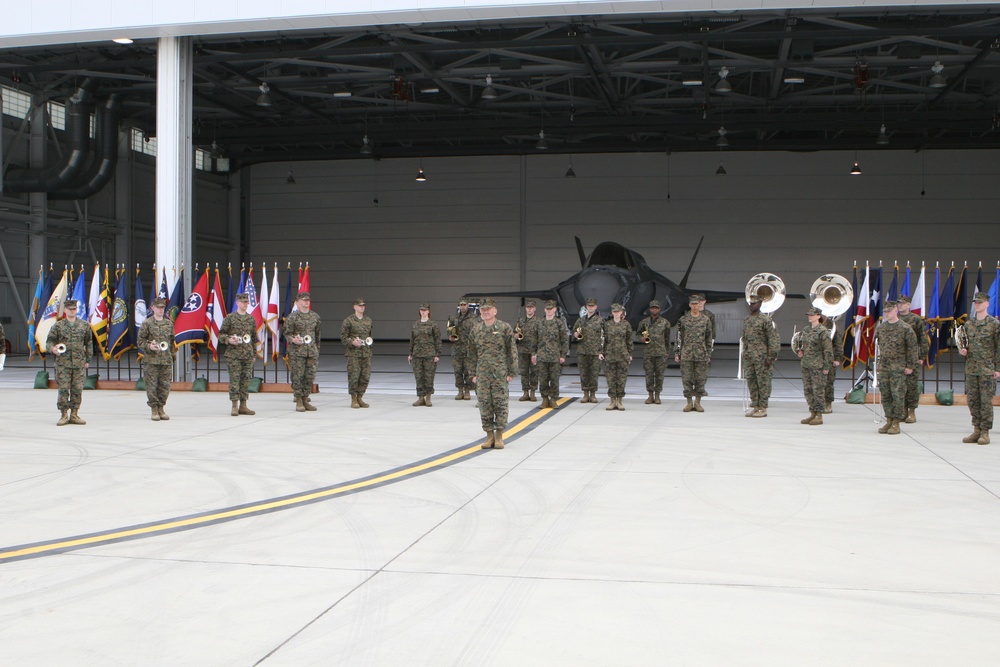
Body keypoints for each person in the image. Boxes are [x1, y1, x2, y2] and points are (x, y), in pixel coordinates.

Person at [468, 298, 517, 449]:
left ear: (495, 311)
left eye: (488, 309)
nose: (486, 312)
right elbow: (471, 353)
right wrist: (472, 374)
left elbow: (512, 350)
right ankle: (489, 436)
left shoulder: (504, 328)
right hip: (482, 374)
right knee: (484, 404)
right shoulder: (476, 330)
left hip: (500, 373)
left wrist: (512, 371)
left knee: (500, 404)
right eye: (483, 310)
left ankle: (500, 435)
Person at [958, 291, 1000, 445]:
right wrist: (963, 350)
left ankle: (985, 432)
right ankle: (976, 429)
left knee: (986, 402)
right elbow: (964, 343)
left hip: (987, 369)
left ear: (987, 304)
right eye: (976, 302)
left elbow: (998, 347)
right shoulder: (969, 324)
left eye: (980, 302)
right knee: (973, 401)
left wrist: (997, 367)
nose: (977, 305)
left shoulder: (994, 325)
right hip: (971, 368)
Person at [874, 300, 919, 435]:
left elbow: (912, 349)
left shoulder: (905, 328)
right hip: (885, 367)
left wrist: (910, 366)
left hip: (898, 367)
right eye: (885, 312)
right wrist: (879, 365)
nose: (887, 314)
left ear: (896, 311)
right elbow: (879, 348)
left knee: (897, 395)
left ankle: (896, 422)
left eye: (889, 311)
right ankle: (889, 419)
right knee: (886, 395)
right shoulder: (882, 328)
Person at [46, 299, 94, 425]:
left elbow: (89, 343)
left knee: (77, 389)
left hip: (79, 363)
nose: (72, 311)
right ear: (65, 310)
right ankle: (63, 414)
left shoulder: (84, 325)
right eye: (70, 309)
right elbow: (49, 341)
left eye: (74, 309)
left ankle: (74, 414)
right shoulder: (58, 326)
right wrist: (53, 349)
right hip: (63, 363)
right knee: (63, 389)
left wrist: (87, 360)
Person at [741, 295, 781, 417]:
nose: (751, 305)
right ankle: (755, 405)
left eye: (754, 303)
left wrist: (771, 356)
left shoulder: (765, 320)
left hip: (762, 357)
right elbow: (745, 338)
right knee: (752, 382)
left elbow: (773, 340)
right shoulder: (747, 320)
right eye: (750, 303)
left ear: (759, 304)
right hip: (749, 357)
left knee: (763, 382)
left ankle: (763, 407)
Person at [136, 297, 175, 421]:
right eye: (158, 307)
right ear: (153, 308)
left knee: (165, 386)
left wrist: (171, 356)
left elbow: (172, 342)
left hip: (166, 360)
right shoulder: (147, 323)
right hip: (151, 361)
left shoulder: (169, 324)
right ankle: (154, 409)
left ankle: (161, 408)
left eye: (162, 307)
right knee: (152, 386)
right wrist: (149, 346)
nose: (161, 310)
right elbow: (140, 341)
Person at [282, 291, 322, 412]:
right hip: (297, 352)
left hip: (311, 352)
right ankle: (298, 400)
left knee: (309, 376)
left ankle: (305, 399)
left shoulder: (315, 317)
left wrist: (316, 350)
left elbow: (318, 335)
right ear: (297, 303)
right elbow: (286, 333)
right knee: (298, 376)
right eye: (303, 300)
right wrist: (292, 339)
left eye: (308, 300)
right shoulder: (292, 317)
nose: (306, 302)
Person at [219, 293, 258, 416]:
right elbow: (221, 335)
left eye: (246, 302)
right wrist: (229, 339)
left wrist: (253, 354)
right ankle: (234, 405)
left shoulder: (251, 319)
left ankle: (243, 405)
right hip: (233, 355)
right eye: (242, 302)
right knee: (235, 380)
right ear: (237, 303)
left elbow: (253, 338)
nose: (245, 304)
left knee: (245, 380)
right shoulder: (230, 318)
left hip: (247, 354)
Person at [795, 306, 833, 426]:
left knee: (818, 390)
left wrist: (826, 366)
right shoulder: (806, 330)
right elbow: (802, 345)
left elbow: (828, 350)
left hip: (818, 365)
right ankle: (812, 412)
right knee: (808, 390)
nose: (810, 317)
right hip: (806, 364)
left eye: (812, 315)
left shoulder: (823, 331)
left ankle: (819, 415)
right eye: (809, 315)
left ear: (818, 316)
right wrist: (800, 351)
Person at [675, 294, 713, 412]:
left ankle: (698, 402)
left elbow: (708, 338)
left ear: (699, 305)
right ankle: (689, 402)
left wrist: (708, 354)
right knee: (687, 379)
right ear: (690, 305)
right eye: (693, 304)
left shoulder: (705, 320)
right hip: (686, 354)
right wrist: (677, 352)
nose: (695, 306)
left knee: (700, 379)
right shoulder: (683, 320)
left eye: (697, 304)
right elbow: (679, 337)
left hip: (701, 354)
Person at [897, 294, 930, 423]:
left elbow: (922, 339)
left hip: (911, 357)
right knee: (899, 385)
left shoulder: (916, 319)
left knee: (911, 386)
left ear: (908, 305)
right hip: (898, 357)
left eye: (902, 303)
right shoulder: (895, 318)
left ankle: (911, 411)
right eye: (898, 303)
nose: (900, 305)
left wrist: (921, 356)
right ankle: (902, 410)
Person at [532, 300, 568, 409]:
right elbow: (534, 340)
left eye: (551, 309)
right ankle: (544, 399)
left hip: (555, 356)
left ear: (555, 309)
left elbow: (564, 340)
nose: (549, 311)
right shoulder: (539, 323)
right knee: (542, 379)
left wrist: (563, 355)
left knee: (554, 379)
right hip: (542, 356)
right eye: (547, 309)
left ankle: (553, 399)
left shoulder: (559, 323)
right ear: (544, 310)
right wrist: (533, 354)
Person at [636, 299, 671, 404]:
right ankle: (650, 395)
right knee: (649, 374)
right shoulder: (644, 322)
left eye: (656, 308)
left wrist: (667, 351)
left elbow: (667, 338)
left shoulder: (665, 323)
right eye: (652, 308)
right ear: (650, 309)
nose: (654, 310)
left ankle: (658, 395)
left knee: (660, 375)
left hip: (660, 352)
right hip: (649, 352)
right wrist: (641, 338)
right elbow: (638, 334)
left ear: (659, 310)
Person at [600, 303, 634, 411]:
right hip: (610, 355)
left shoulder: (626, 324)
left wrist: (630, 353)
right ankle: (611, 401)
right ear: (612, 313)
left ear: (621, 313)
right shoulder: (607, 324)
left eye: (618, 312)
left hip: (622, 355)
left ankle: (619, 401)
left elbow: (629, 340)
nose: (616, 313)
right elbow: (602, 340)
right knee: (610, 379)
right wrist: (601, 352)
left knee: (621, 379)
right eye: (614, 312)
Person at [342, 297, 373, 408]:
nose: (362, 307)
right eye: (360, 305)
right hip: (353, 353)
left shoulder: (368, 320)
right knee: (354, 376)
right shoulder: (348, 321)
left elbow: (370, 336)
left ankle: (360, 397)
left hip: (366, 352)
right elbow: (343, 337)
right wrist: (352, 342)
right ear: (355, 307)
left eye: (363, 305)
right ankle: (353, 398)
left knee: (365, 376)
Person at [408, 302, 441, 406]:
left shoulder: (433, 324)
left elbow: (437, 339)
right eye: (421, 310)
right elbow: (412, 339)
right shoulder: (416, 324)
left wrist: (437, 354)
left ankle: (428, 397)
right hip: (417, 354)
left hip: (429, 354)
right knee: (419, 376)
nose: (423, 312)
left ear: (428, 311)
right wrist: (410, 353)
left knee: (429, 376)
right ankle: (420, 397)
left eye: (425, 310)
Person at [572, 297, 604, 403]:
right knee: (584, 373)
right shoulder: (581, 320)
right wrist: (576, 335)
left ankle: (593, 394)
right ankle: (585, 394)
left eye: (592, 306)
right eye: (589, 306)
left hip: (595, 352)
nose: (590, 307)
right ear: (586, 307)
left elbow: (604, 337)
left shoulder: (600, 320)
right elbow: (573, 334)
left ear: (596, 307)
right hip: (582, 351)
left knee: (594, 374)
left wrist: (601, 351)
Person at [448, 297, 478, 400]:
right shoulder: (454, 318)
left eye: (464, 305)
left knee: (468, 371)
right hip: (457, 348)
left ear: (468, 305)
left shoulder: (474, 318)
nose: (463, 307)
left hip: (469, 349)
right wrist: (450, 336)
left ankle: (467, 391)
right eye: (461, 305)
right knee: (458, 370)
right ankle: (460, 390)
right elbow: (450, 329)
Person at [515, 299, 540, 402]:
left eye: (531, 307)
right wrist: (516, 336)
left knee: (534, 372)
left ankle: (533, 392)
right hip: (522, 350)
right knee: (524, 372)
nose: (529, 309)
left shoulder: (539, 322)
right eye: (528, 307)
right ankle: (525, 392)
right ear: (525, 309)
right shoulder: (520, 321)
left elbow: (541, 336)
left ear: (534, 309)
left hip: (534, 350)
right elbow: (514, 333)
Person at [820, 315, 846, 414]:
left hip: (829, 358)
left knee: (828, 382)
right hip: (817, 358)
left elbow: (838, 343)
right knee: (816, 382)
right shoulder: (815, 325)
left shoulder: (833, 327)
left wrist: (838, 358)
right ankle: (818, 403)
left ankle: (828, 403)